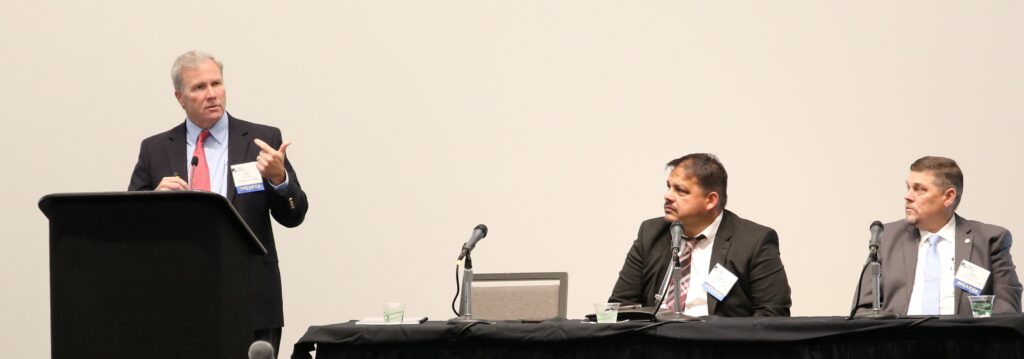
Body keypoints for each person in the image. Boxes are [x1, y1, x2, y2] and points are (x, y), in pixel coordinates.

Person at [128, 50, 309, 355]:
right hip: (179, 300)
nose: (212, 94)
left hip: (251, 298)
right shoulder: (155, 149)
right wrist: (152, 203)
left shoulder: (261, 139)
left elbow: (294, 215)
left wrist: (280, 181)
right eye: (199, 87)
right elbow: (128, 228)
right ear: (179, 97)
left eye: (216, 83)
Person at [609, 153, 792, 317]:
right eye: (668, 187)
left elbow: (773, 314)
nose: (668, 196)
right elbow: (622, 305)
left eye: (680, 191)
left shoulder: (753, 241)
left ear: (710, 200)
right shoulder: (651, 233)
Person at [856, 156, 1021, 316]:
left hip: (963, 341)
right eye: (908, 188)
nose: (908, 196)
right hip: (901, 341)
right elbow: (862, 310)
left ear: (948, 196)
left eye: (920, 189)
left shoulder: (989, 240)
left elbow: (1007, 308)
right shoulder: (886, 237)